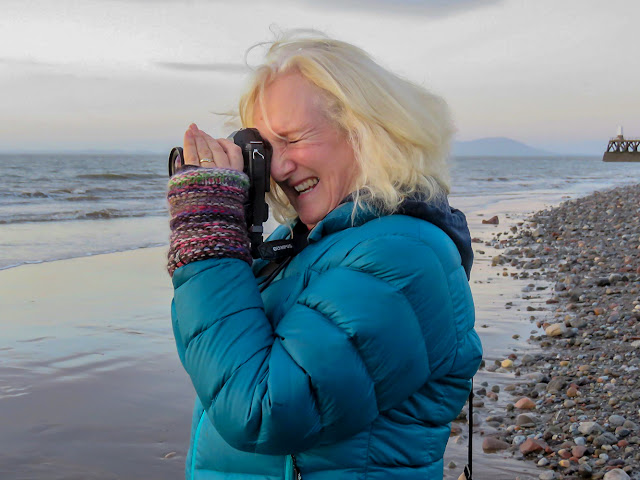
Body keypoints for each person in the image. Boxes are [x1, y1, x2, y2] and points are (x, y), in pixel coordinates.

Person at [166, 32, 482, 480]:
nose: (278, 168)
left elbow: (262, 411)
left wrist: (209, 235)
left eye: (294, 139)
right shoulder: (302, 245)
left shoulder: (401, 260)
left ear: (367, 132)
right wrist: (226, 231)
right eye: (266, 151)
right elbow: (215, 353)